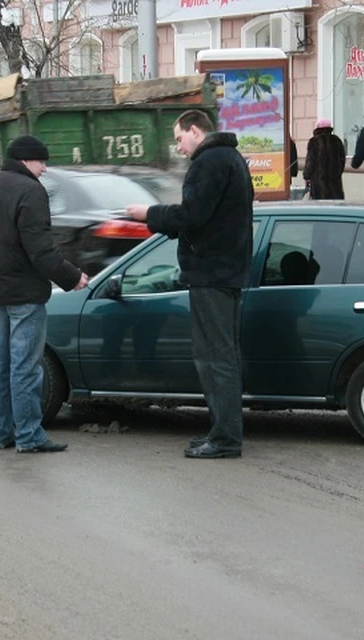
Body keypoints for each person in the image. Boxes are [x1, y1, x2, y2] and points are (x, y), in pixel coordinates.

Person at [125, 109, 253, 460]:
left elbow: (191, 216)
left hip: (212, 273)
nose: (179, 147)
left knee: (215, 358)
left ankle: (225, 438)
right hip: (227, 270)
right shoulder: (232, 159)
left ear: (195, 131)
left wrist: (149, 215)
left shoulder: (208, 162)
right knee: (220, 355)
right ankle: (221, 432)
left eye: (179, 138)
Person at [0, 134, 89, 453]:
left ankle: (0, 433)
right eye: (42, 161)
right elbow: (40, 250)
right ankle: (29, 435)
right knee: (26, 365)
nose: (45, 168)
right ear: (27, 160)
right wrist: (72, 277)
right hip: (25, 292)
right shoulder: (31, 191)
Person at [303, 118, 346, 200]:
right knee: (335, 205)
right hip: (334, 182)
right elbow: (342, 160)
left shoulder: (314, 141)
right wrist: (338, 172)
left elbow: (310, 161)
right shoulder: (337, 141)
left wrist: (306, 175)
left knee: (320, 206)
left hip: (319, 183)